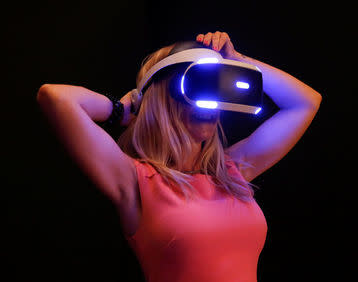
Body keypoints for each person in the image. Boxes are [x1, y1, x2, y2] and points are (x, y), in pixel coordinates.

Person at [36, 31, 322, 282]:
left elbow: (305, 102)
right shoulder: (134, 181)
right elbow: (56, 98)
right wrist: (124, 109)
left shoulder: (232, 173)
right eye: (197, 87)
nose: (210, 104)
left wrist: (238, 60)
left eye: (214, 88)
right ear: (162, 97)